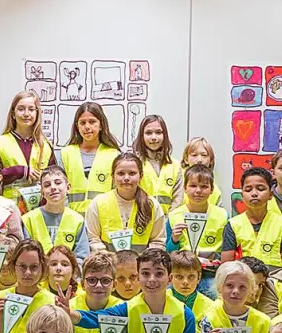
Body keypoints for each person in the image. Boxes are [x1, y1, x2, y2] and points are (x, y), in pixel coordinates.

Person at [166, 164, 230, 297]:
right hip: (182, 274)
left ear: (212, 189)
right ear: (185, 188)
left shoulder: (222, 216)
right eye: (193, 186)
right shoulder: (174, 216)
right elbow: (168, 251)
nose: (198, 191)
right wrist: (174, 239)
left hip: (211, 275)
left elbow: (228, 249)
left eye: (204, 186)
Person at [86, 153, 167, 253]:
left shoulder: (152, 205)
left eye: (132, 173)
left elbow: (158, 241)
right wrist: (109, 259)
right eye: (121, 173)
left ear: (141, 176)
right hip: (108, 266)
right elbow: (93, 239)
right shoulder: (98, 203)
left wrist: (141, 262)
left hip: (141, 266)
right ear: (112, 176)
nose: (126, 178)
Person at [0, 91, 55, 203]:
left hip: (40, 209)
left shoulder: (45, 145)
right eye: (21, 109)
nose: (26, 114)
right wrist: (20, 171)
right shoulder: (0, 143)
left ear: (37, 113)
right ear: (13, 114)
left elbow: (54, 177)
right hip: (10, 209)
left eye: (31, 109)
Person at [60, 101, 121, 213]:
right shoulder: (65, 154)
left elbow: (118, 192)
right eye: (82, 123)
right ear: (77, 126)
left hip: (103, 219)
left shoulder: (114, 155)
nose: (87, 127)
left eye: (92, 122)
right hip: (72, 221)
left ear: (101, 125)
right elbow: (60, 190)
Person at [133, 114, 181, 208]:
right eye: (148, 133)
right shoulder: (134, 163)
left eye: (158, 132)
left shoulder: (175, 165)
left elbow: (178, 199)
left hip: (168, 220)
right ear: (141, 136)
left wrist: (168, 220)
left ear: (165, 135)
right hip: (140, 219)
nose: (154, 137)